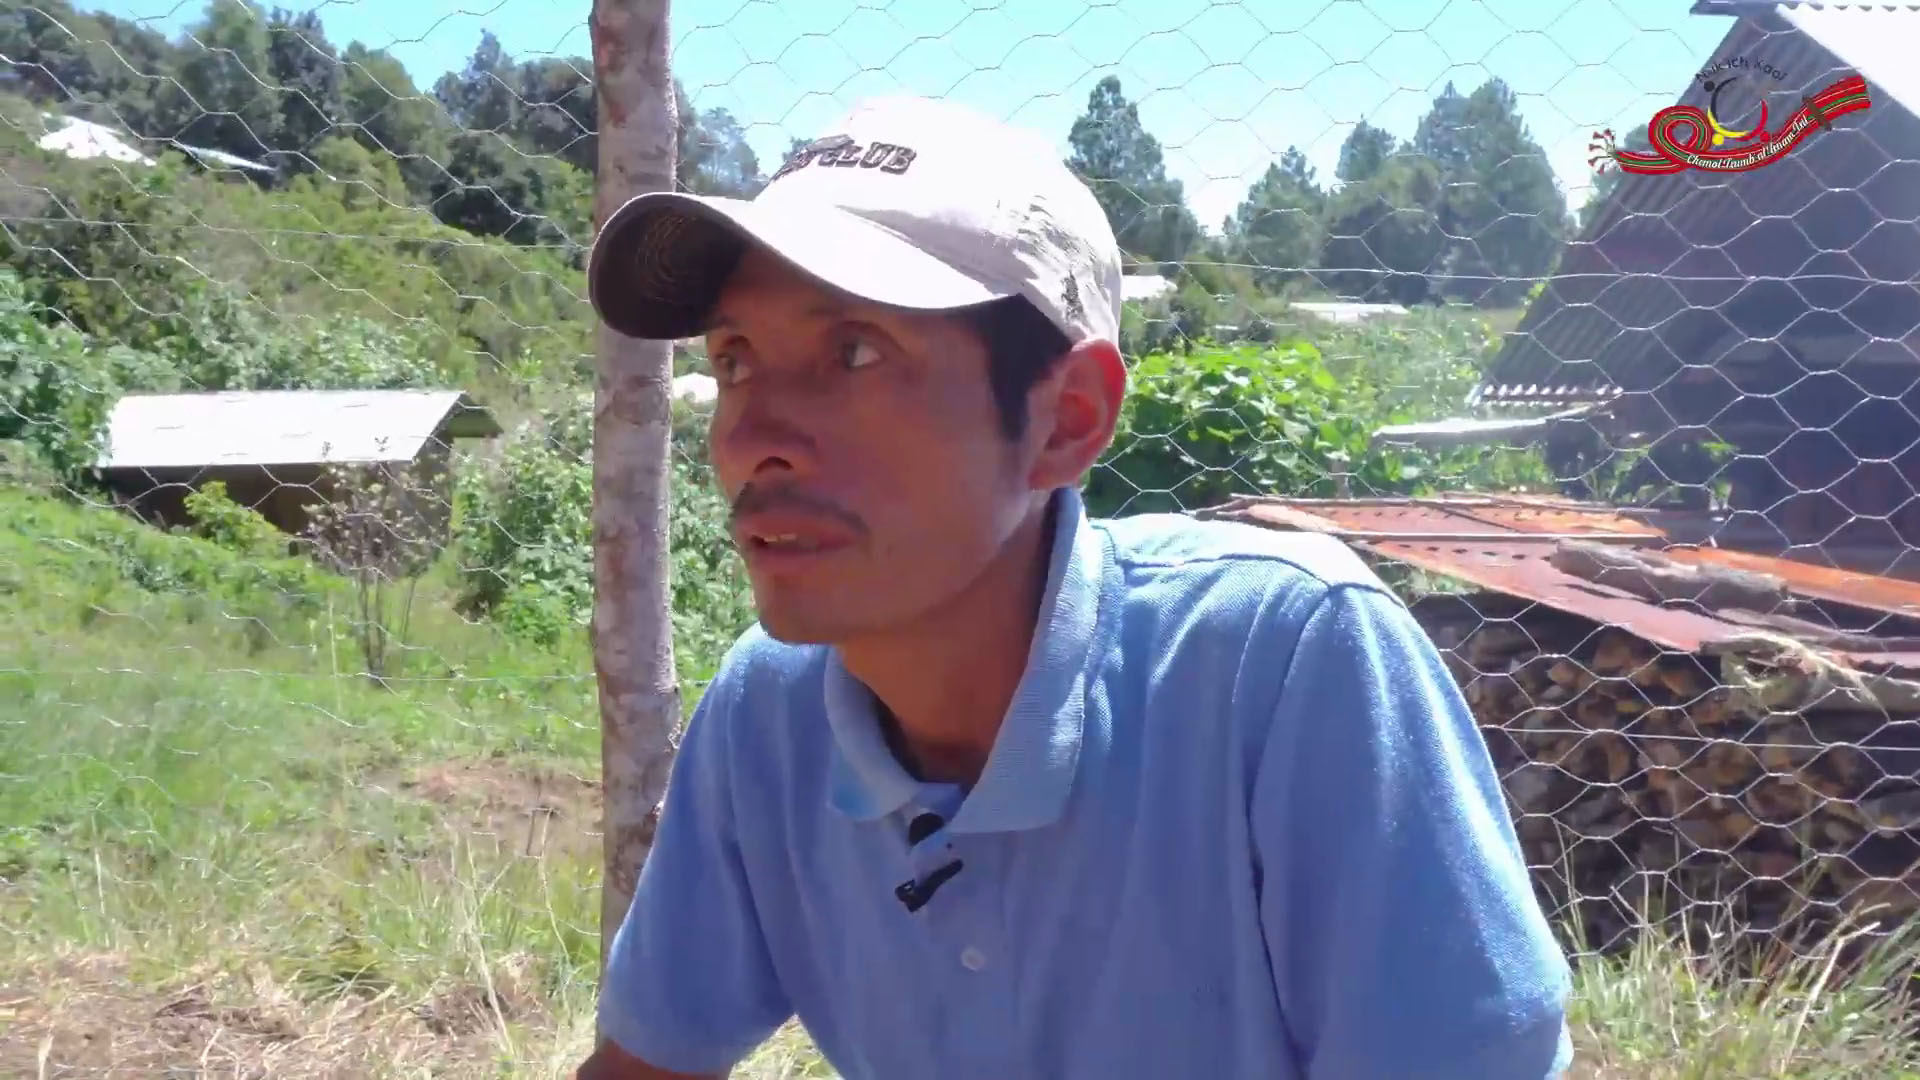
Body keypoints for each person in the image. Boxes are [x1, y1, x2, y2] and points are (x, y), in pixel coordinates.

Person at [575, 94, 1573, 1080]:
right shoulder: (768, 713)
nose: (752, 440)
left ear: (1069, 420)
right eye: (737, 360)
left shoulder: (1281, 665)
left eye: (855, 353)